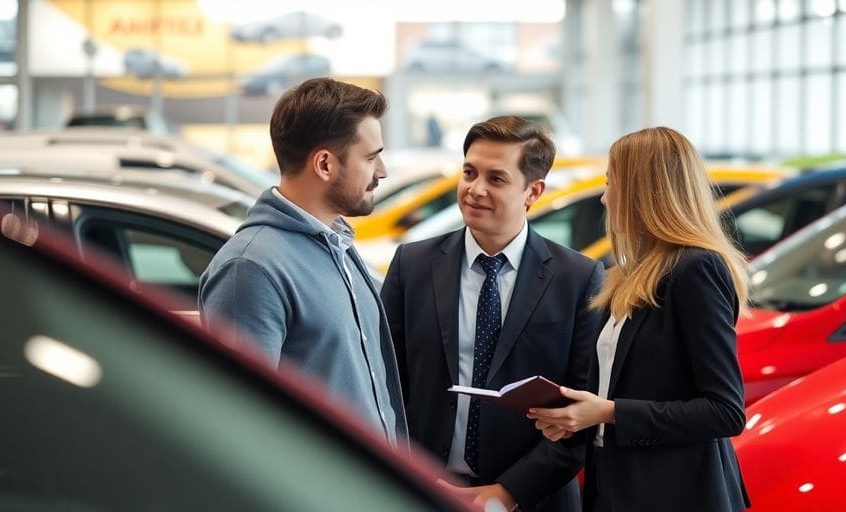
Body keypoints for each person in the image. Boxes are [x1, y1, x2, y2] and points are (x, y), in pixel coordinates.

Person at [381, 116, 603, 511]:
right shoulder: (411, 265)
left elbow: (582, 411)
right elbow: (384, 384)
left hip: (535, 498)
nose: (475, 189)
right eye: (469, 173)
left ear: (533, 191)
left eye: (496, 179)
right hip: (424, 488)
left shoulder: (578, 278)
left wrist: (506, 493)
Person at [527, 126, 751, 511]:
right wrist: (576, 417)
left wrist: (609, 412)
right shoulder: (629, 274)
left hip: (678, 495)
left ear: (641, 192)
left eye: (610, 183)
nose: (604, 197)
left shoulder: (696, 269)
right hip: (616, 485)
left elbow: (725, 411)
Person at [198, 78, 407, 447]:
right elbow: (241, 430)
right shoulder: (250, 268)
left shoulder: (338, 246)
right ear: (325, 164)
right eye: (370, 157)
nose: (382, 171)